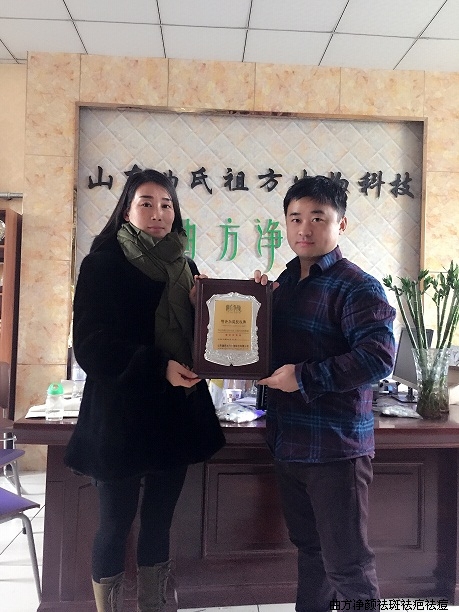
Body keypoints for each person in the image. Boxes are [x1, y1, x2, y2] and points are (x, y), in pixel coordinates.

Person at [64, 168, 225, 612]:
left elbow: (200, 340)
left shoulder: (186, 268)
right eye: (147, 203)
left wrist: (206, 309)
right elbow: (91, 346)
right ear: (127, 211)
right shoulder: (102, 264)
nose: (158, 213)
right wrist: (157, 368)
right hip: (120, 418)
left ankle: (153, 604)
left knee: (159, 524)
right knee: (114, 525)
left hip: (173, 417)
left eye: (167, 205)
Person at [256, 175, 396, 612]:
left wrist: (304, 377)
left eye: (318, 217)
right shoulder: (284, 283)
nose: (305, 228)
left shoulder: (357, 286)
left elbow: (377, 359)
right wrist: (247, 303)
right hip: (289, 442)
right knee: (312, 553)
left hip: (335, 450)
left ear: (341, 224)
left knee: (348, 567)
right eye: (295, 218)